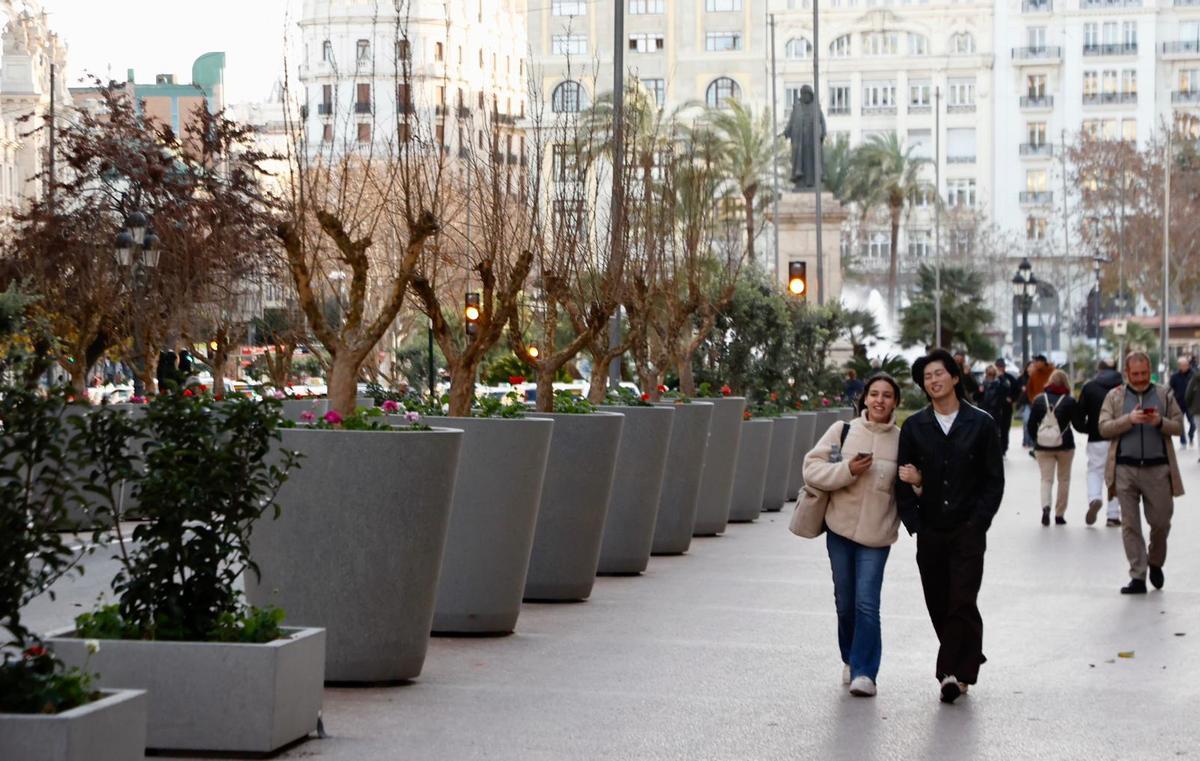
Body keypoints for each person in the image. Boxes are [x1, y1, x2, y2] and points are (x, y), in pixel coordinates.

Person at [895, 349, 1005, 704]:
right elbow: (901, 480)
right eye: (927, 377)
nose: (934, 381)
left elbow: (993, 481)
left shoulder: (981, 423)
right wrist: (915, 524)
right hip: (930, 530)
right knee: (938, 600)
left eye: (940, 374)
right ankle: (968, 653)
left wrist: (979, 523)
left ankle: (951, 674)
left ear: (955, 377)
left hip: (967, 529)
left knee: (962, 598)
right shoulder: (914, 427)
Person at [803, 373, 903, 698]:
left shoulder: (903, 440)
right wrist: (847, 471)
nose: (879, 400)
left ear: (895, 402)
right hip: (840, 530)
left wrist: (918, 480)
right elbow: (812, 468)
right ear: (864, 399)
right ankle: (850, 658)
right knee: (845, 603)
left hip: (877, 535)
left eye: (887, 395)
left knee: (866, 604)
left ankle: (865, 672)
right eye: (874, 394)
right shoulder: (842, 432)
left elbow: (915, 485)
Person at [1099, 352, 1185, 595]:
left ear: (1150, 372)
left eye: (1144, 374)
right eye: (1135, 374)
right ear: (1127, 373)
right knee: (1130, 525)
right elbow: (1103, 427)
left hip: (1158, 469)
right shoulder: (1114, 396)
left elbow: (1179, 426)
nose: (1139, 378)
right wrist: (1129, 419)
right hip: (1124, 469)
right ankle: (1137, 575)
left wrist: (1159, 422)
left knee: (1160, 522)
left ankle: (1155, 561)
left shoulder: (1163, 394)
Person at [1074, 359, 1125, 527]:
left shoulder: (1089, 387)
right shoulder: (1123, 388)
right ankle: (1112, 515)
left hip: (1096, 437)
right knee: (1115, 476)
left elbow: (1079, 414)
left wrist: (1087, 429)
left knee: (1095, 471)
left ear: (1099, 369)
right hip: (1119, 437)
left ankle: (1094, 498)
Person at [1026, 369, 1080, 526]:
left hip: (1043, 446)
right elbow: (1077, 424)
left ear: (1050, 382)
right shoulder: (1069, 401)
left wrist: (1037, 439)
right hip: (1065, 445)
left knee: (1046, 479)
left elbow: (1030, 425)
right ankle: (1059, 514)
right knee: (1064, 479)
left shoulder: (1038, 400)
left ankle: (1045, 508)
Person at [992, 358, 1018, 456]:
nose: (999, 369)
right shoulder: (992, 377)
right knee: (994, 429)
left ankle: (1003, 448)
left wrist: (1012, 398)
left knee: (1004, 428)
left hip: (1006, 407)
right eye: (998, 367)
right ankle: (995, 448)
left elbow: (1016, 389)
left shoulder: (1009, 378)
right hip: (994, 407)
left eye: (1001, 367)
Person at [1168, 357, 1194, 448]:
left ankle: (1191, 436)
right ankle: (1183, 441)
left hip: (1191, 404)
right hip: (1178, 403)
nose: (1185, 367)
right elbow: (1170, 388)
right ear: (1179, 366)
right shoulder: (1174, 377)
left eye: (1186, 365)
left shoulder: (1193, 375)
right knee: (1180, 423)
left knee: (1193, 423)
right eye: (1183, 365)